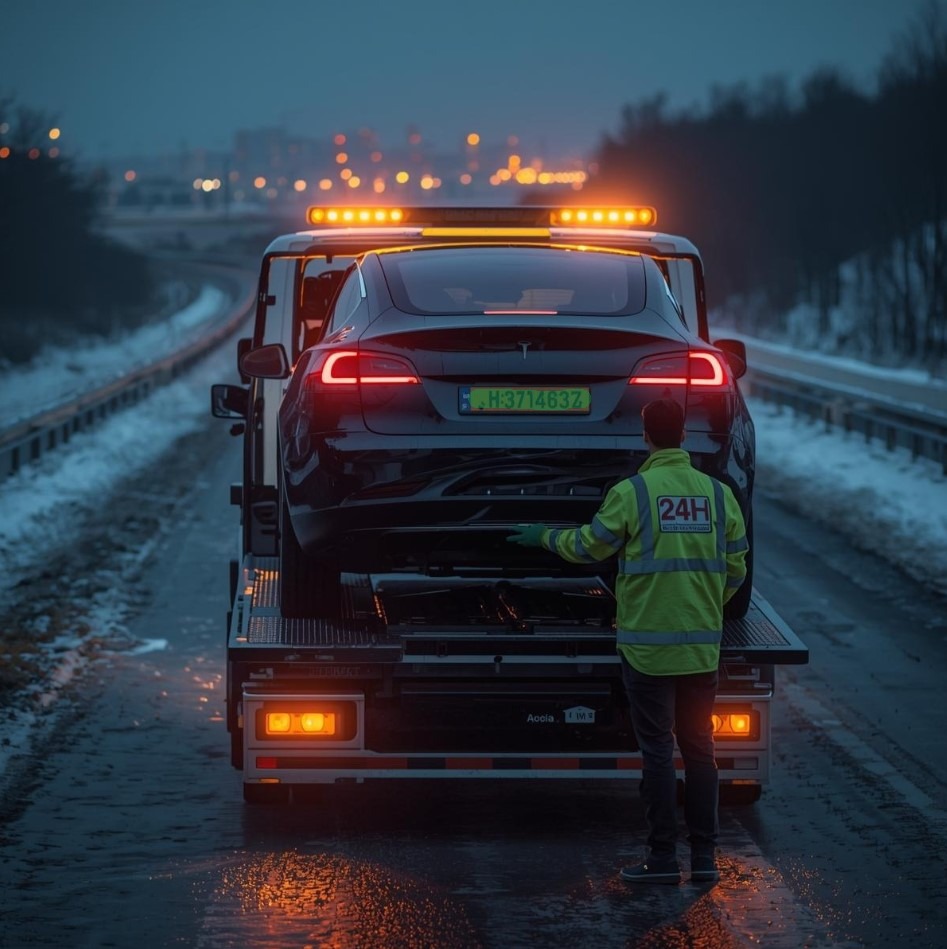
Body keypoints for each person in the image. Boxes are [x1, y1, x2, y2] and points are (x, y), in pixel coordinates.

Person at [508, 397, 748, 885]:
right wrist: (704, 603)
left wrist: (543, 537)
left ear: (645, 435)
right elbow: (737, 567)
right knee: (701, 752)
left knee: (658, 753)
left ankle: (662, 860)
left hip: (647, 652)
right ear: (684, 433)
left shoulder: (633, 493)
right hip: (701, 649)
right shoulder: (720, 496)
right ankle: (704, 859)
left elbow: (587, 546)